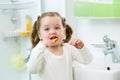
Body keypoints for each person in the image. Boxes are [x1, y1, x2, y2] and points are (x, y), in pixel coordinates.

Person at [27, 12, 93, 80]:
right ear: (40, 35)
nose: (52, 32)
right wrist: (41, 45)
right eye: (47, 29)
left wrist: (82, 48)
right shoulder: (40, 52)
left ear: (63, 31)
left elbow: (87, 60)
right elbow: (32, 70)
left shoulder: (69, 49)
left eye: (57, 28)